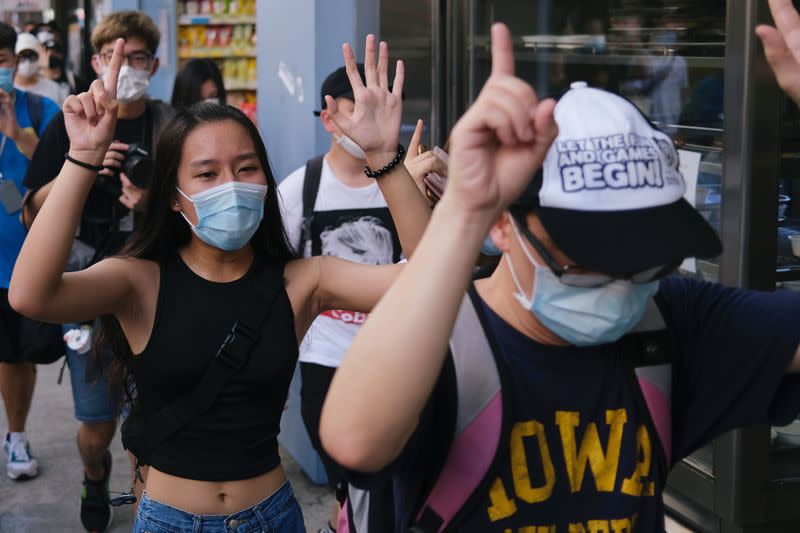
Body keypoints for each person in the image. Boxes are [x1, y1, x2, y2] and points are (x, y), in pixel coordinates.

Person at [319, 23, 800, 532]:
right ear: (504, 227)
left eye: (645, 258)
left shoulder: (669, 324)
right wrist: (465, 208)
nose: (619, 280)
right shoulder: (441, 344)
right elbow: (356, 440)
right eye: (585, 255)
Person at [9, 34, 429, 532]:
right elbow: (31, 294)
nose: (231, 183)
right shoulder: (138, 280)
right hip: (169, 520)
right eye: (206, 174)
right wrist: (82, 158)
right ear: (172, 196)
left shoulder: (304, 281)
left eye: (246, 167)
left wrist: (385, 158)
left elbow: (426, 282)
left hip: (272, 516)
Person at [20, 11, 173, 533]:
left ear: (154, 64)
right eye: (112, 56)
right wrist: (79, 169)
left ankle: (150, 506)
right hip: (87, 292)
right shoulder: (75, 122)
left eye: (135, 58)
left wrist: (152, 200)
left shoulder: (170, 124)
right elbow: (30, 208)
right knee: (95, 427)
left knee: (149, 421)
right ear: (94, 61)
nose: (123, 67)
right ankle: (93, 475)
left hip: (154, 292)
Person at [278, 62, 439, 533]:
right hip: (326, 365)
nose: (368, 119)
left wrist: (429, 198)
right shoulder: (299, 189)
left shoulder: (402, 183)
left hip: (398, 361)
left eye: (381, 106)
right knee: (350, 487)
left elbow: (431, 264)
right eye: (357, 107)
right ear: (329, 117)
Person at [0, 22, 59, 481]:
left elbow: (60, 175)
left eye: (2, 60)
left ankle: (15, 435)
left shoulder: (40, 110)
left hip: (20, 261)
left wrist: (17, 134)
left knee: (15, 356)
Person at [13, 32, 68, 105]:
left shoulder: (53, 88)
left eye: (32, 56)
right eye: (22, 57)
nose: (27, 62)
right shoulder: (7, 89)